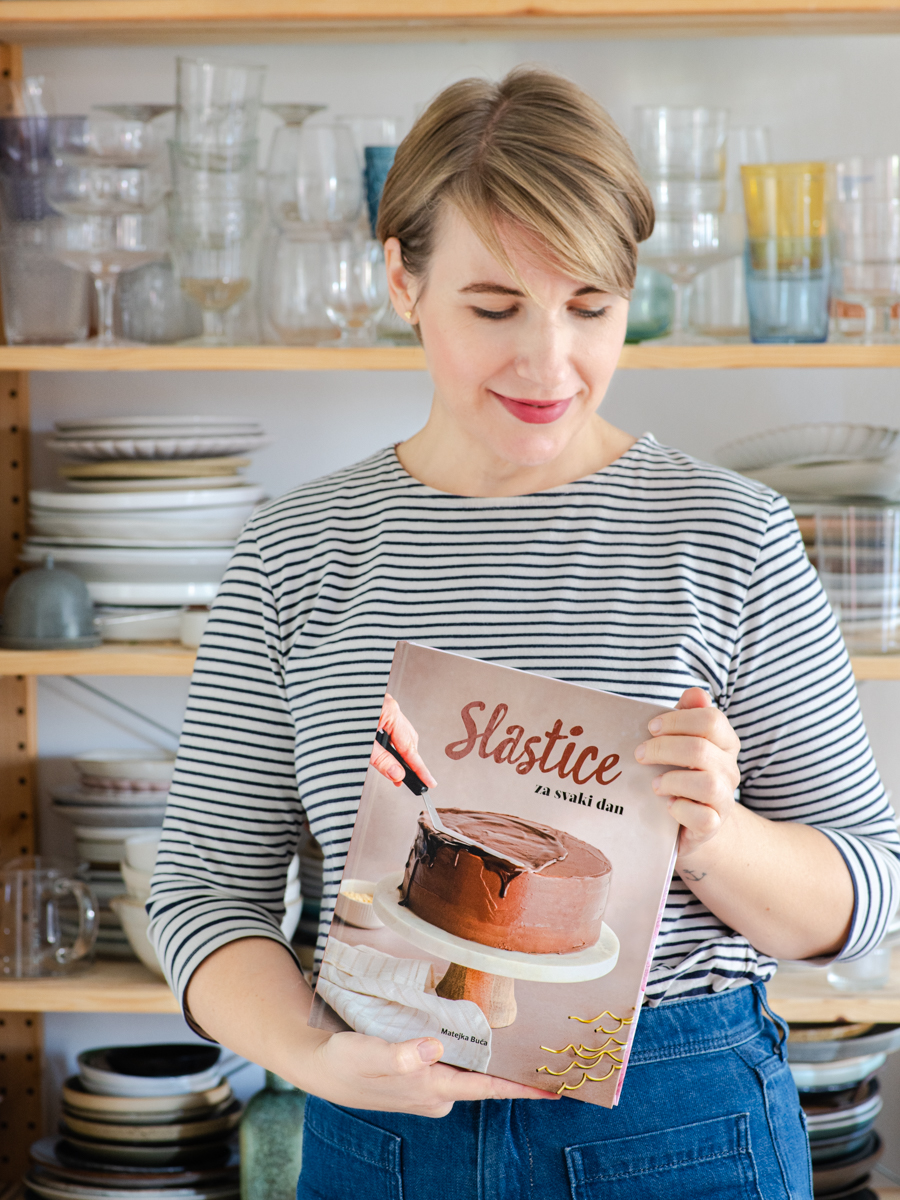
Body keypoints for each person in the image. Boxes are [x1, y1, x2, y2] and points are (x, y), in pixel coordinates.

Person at [148, 69, 900, 1199]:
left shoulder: (729, 535)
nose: (549, 364)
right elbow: (205, 894)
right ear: (401, 279)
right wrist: (310, 1054)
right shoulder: (294, 552)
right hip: (379, 1130)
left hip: (677, 1136)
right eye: (494, 308)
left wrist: (718, 837)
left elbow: (869, 894)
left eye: (590, 307)